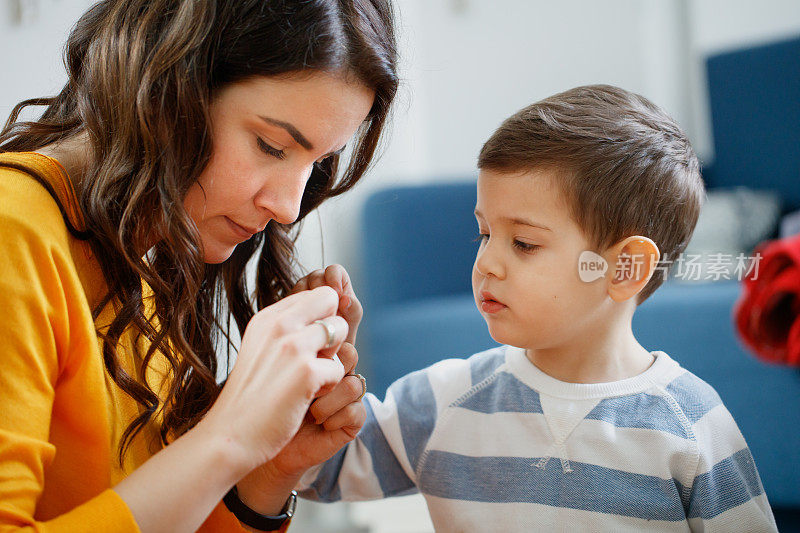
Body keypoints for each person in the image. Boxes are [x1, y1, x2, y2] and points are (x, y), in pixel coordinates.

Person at [292, 85, 779, 532]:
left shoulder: (691, 424)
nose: (487, 263)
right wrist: (309, 387)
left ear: (625, 268)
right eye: (485, 234)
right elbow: (315, 470)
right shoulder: (442, 403)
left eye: (523, 243)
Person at [0, 0, 397, 531]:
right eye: (271, 145)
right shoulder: (13, 231)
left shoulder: (143, 258)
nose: (287, 207)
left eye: (319, 163)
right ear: (168, 82)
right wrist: (228, 438)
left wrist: (269, 467)